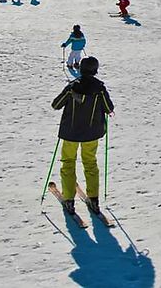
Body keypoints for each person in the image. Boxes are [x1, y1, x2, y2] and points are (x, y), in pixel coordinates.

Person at [50, 56, 114, 215]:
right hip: (91, 134)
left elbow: (56, 105)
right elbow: (108, 108)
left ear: (80, 69)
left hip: (70, 133)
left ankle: (69, 199)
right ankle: (93, 198)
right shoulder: (99, 88)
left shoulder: (73, 87)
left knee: (68, 163)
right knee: (90, 163)